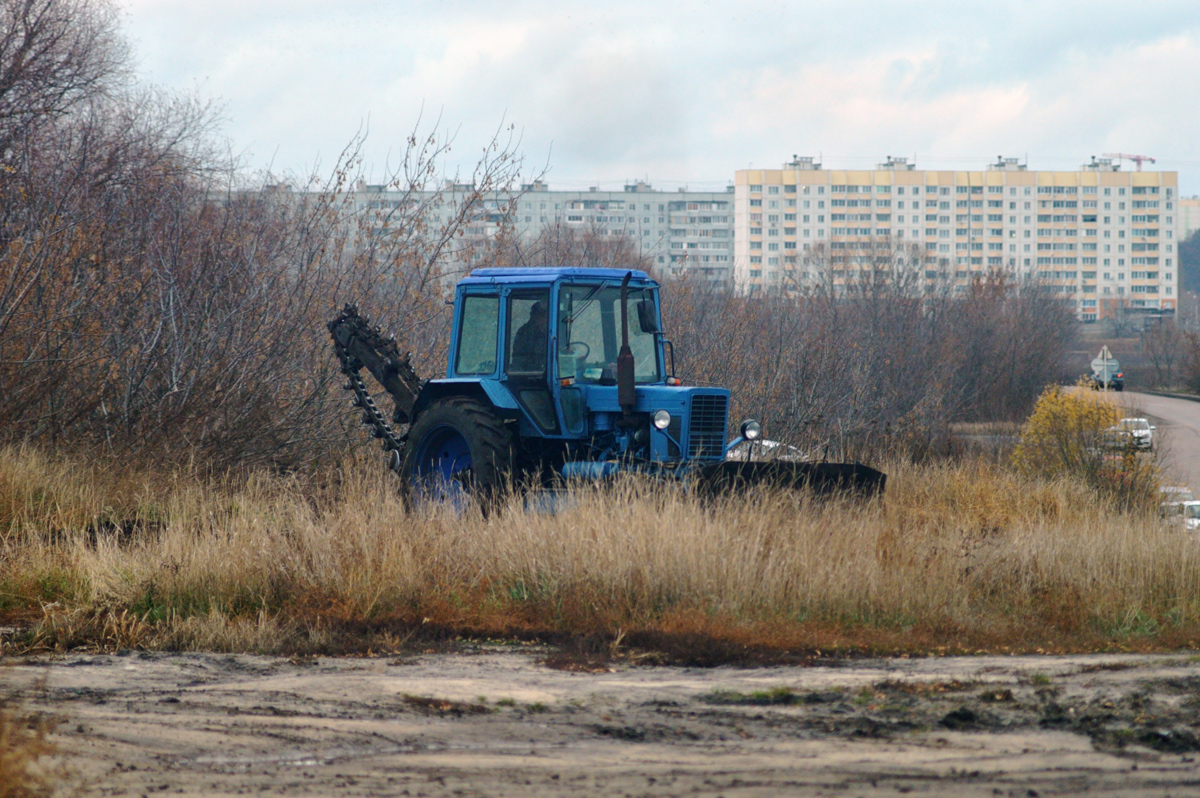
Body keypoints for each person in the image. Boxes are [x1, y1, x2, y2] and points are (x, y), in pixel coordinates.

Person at [510, 300, 546, 372]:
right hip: (527, 373)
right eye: (540, 315)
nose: (543, 318)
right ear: (533, 315)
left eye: (544, 315)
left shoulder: (547, 332)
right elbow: (521, 357)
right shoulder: (525, 332)